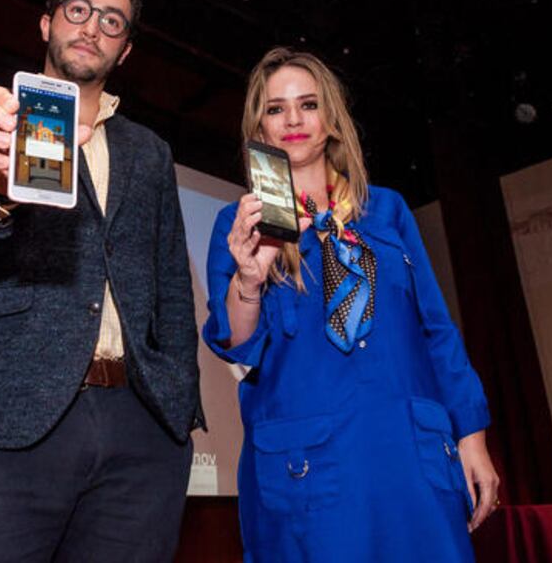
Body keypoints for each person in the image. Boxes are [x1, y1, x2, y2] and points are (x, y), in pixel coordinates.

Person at [0, 0, 203, 562]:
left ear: (124, 50)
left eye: (112, 20)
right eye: (78, 9)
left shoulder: (150, 151)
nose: (92, 26)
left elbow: (172, 285)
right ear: (46, 23)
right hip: (4, 418)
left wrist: (176, 403)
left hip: (140, 429)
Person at [202, 47, 500, 561]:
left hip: (411, 458)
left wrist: (472, 438)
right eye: (276, 108)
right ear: (260, 127)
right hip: (308, 470)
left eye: (308, 104)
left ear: (332, 120)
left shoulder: (387, 210)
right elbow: (236, 344)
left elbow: (437, 330)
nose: (293, 119)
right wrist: (250, 279)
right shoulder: (240, 222)